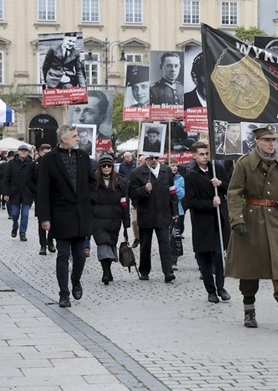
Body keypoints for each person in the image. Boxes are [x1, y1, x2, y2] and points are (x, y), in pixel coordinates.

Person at [226, 125, 278, 330]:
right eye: (267, 140)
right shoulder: (244, 163)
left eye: (274, 140)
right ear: (257, 141)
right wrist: (237, 219)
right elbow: (234, 194)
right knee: (249, 268)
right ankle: (249, 310)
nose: (271, 144)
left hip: (276, 219)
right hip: (251, 218)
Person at [36, 125, 97, 308]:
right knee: (63, 254)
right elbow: (42, 191)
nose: (78, 138)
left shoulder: (83, 157)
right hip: (60, 214)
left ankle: (76, 279)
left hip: (81, 214)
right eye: (75, 136)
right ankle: (64, 293)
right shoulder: (49, 160)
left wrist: (90, 200)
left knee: (80, 254)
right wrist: (44, 218)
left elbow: (92, 182)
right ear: (64, 139)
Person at [183, 142, 231, 304]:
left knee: (219, 255)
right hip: (202, 222)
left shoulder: (217, 169)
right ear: (194, 155)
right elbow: (190, 202)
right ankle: (210, 290)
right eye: (201, 154)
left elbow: (229, 187)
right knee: (205, 258)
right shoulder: (190, 175)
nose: (205, 157)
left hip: (218, 220)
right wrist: (210, 203)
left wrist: (221, 184)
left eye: (206, 154)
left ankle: (221, 287)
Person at [128, 154, 178, 283]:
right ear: (146, 159)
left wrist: (175, 210)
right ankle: (144, 270)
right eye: (151, 158)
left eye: (156, 158)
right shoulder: (137, 172)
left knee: (165, 244)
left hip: (163, 213)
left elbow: (172, 191)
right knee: (145, 245)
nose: (154, 160)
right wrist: (143, 189)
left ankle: (168, 272)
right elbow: (132, 193)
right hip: (146, 214)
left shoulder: (166, 170)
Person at [91, 154, 130, 285]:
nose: (106, 168)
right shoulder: (92, 182)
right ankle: (105, 273)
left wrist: (126, 224)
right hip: (98, 220)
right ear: (100, 167)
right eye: (103, 165)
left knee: (110, 245)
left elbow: (125, 204)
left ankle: (108, 270)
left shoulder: (120, 183)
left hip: (114, 219)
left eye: (109, 165)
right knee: (102, 245)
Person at [2, 144, 36, 241]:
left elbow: (34, 179)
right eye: (21, 150)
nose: (23, 152)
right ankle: (15, 226)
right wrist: (5, 193)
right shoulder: (11, 163)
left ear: (28, 152)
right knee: (15, 214)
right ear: (18, 152)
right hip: (14, 193)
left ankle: (22, 233)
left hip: (27, 193)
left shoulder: (31, 164)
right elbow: (6, 180)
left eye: (25, 150)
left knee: (25, 215)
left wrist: (34, 192)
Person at [34, 144, 55, 255]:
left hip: (53, 197)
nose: (47, 155)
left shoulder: (54, 163)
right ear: (40, 152)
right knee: (41, 222)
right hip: (40, 197)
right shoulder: (35, 164)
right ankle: (42, 245)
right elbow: (30, 180)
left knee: (53, 220)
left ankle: (50, 241)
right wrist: (36, 192)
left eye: (49, 152)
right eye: (45, 152)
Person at [168, 158, 185, 269]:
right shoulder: (162, 177)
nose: (174, 167)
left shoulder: (180, 179)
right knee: (167, 235)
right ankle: (168, 258)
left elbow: (180, 194)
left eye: (176, 165)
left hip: (177, 210)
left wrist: (172, 187)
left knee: (175, 234)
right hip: (165, 210)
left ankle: (174, 259)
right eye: (172, 165)